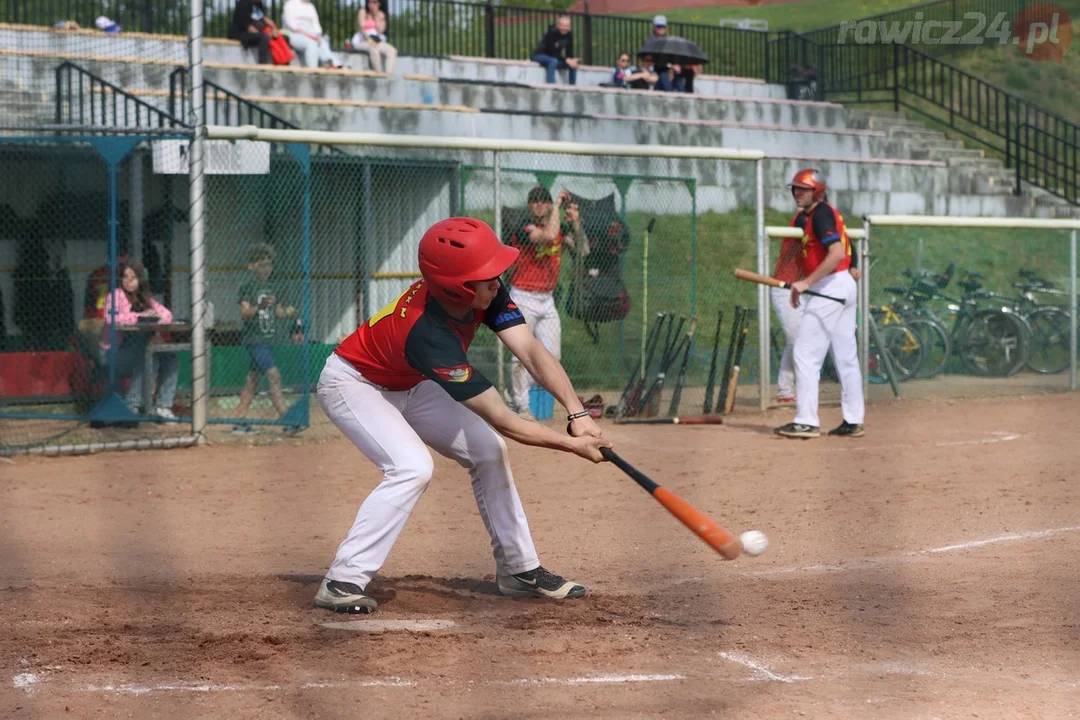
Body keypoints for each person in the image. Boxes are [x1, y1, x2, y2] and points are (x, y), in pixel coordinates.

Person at [313, 217, 611, 614]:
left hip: (410, 381)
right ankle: (342, 580)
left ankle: (518, 570)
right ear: (456, 286)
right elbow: (504, 417)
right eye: (486, 275)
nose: (496, 280)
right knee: (412, 467)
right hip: (355, 384)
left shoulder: (484, 293)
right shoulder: (428, 334)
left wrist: (578, 413)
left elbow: (532, 352)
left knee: (489, 450)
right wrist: (571, 445)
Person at [774, 169, 865, 440]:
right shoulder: (814, 215)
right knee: (845, 357)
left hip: (832, 285)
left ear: (818, 191)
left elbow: (836, 252)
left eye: (804, 188)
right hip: (841, 285)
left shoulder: (822, 212)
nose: (798, 192)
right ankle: (854, 419)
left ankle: (806, 421)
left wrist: (806, 282)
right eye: (795, 188)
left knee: (804, 352)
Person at [504, 187, 589, 419]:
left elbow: (583, 250)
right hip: (523, 296)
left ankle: (516, 393)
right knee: (520, 353)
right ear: (529, 206)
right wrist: (559, 208)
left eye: (545, 201)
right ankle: (521, 405)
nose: (539, 205)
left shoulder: (558, 228)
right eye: (535, 201)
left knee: (552, 356)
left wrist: (577, 222)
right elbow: (548, 236)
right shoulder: (523, 226)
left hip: (547, 299)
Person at [233, 243, 301, 435]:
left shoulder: (272, 287)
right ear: (251, 266)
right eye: (262, 265)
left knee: (252, 381)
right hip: (255, 339)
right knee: (273, 375)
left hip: (268, 339)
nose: (266, 269)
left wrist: (288, 312)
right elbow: (245, 313)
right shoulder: (248, 287)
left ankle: (239, 419)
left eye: (269, 265)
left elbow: (278, 311)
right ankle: (286, 417)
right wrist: (259, 306)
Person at [102, 261, 179, 419]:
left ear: (141, 280)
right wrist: (140, 317)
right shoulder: (115, 296)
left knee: (171, 359)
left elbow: (167, 315)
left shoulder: (145, 299)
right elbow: (112, 318)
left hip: (141, 348)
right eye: (125, 277)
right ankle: (132, 405)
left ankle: (162, 406)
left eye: (133, 277)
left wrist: (155, 317)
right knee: (147, 357)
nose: (128, 281)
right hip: (116, 352)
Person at [283, 0, 342, 69]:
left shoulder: (311, 6)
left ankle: (330, 61)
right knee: (311, 43)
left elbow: (316, 25)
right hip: (293, 34)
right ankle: (313, 69)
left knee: (322, 40)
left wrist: (317, 36)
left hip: (310, 33)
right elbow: (291, 24)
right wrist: (308, 34)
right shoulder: (290, 4)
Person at [351, 0, 397, 75]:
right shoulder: (363, 12)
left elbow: (380, 31)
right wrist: (370, 41)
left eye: (374, 2)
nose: (372, 4)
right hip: (362, 40)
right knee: (373, 49)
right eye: (370, 2)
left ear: (379, 4)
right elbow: (361, 29)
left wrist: (376, 17)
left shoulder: (380, 14)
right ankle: (378, 72)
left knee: (392, 51)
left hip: (376, 40)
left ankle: (388, 74)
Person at [531, 15, 579, 85]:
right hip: (539, 55)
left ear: (570, 27)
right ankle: (551, 85)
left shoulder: (569, 35)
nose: (564, 28)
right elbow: (551, 52)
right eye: (562, 25)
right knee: (553, 61)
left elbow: (569, 52)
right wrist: (566, 60)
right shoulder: (552, 33)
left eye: (567, 26)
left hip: (554, 57)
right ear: (558, 25)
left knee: (573, 64)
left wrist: (572, 60)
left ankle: (572, 86)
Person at [229, 0, 277, 65]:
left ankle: (283, 64)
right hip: (243, 34)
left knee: (282, 37)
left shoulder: (258, 4)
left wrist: (273, 28)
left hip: (257, 32)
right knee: (264, 37)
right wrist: (264, 33)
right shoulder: (243, 3)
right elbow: (247, 26)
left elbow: (262, 17)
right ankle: (264, 64)